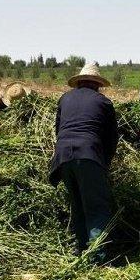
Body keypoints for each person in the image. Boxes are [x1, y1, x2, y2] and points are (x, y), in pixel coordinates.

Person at [48, 62, 118, 257]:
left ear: (79, 83)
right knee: (96, 207)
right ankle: (97, 256)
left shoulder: (64, 98)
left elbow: (59, 130)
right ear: (97, 84)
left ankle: (80, 248)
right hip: (89, 154)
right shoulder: (104, 102)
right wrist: (104, 163)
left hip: (63, 156)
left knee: (77, 203)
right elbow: (112, 138)